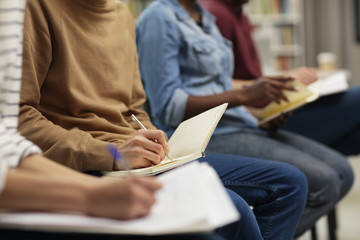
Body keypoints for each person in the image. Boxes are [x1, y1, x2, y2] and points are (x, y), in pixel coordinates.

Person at [18, 0, 308, 239]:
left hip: (138, 156)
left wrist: (152, 134)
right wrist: (112, 153)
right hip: (92, 159)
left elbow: (134, 106)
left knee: (290, 182)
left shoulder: (122, 12)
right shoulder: (32, 9)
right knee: (230, 209)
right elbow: (20, 120)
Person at [135, 0, 354, 237]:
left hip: (238, 123)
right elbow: (167, 107)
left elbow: (217, 86)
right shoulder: (158, 18)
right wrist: (244, 95)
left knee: (343, 172)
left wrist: (260, 115)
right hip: (204, 135)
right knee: (320, 181)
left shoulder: (203, 17)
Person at [201, 0, 360, 156]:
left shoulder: (238, 13)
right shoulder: (215, 13)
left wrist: (285, 78)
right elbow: (210, 85)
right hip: (263, 113)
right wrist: (278, 81)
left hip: (272, 108)